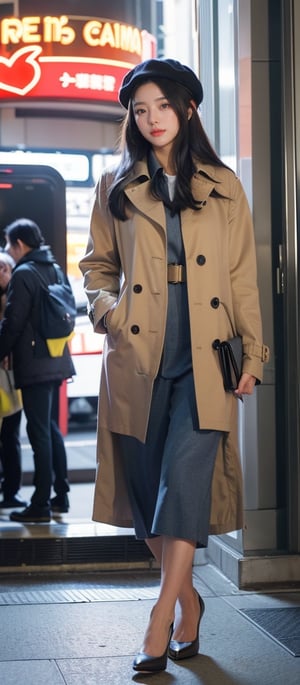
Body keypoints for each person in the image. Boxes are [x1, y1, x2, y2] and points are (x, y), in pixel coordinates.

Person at [79, 58, 269, 673]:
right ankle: (187, 598)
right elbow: (95, 269)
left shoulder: (223, 184)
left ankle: (160, 619)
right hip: (139, 356)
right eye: (140, 109)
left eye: (163, 105)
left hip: (207, 357)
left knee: (182, 487)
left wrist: (253, 353)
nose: (152, 118)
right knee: (145, 500)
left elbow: (242, 279)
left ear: (188, 108)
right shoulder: (118, 182)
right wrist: (109, 315)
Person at [0, 218, 75, 522]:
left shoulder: (24, 273)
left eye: (8, 245)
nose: (8, 250)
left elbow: (13, 323)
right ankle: (61, 495)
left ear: (19, 244)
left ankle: (40, 504)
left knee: (38, 432)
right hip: (56, 360)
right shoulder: (54, 268)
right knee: (51, 429)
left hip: (34, 363)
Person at [0, 252, 26, 509]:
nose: (1, 273)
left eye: (5, 268)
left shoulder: (17, 296)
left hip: (9, 379)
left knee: (11, 436)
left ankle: (11, 490)